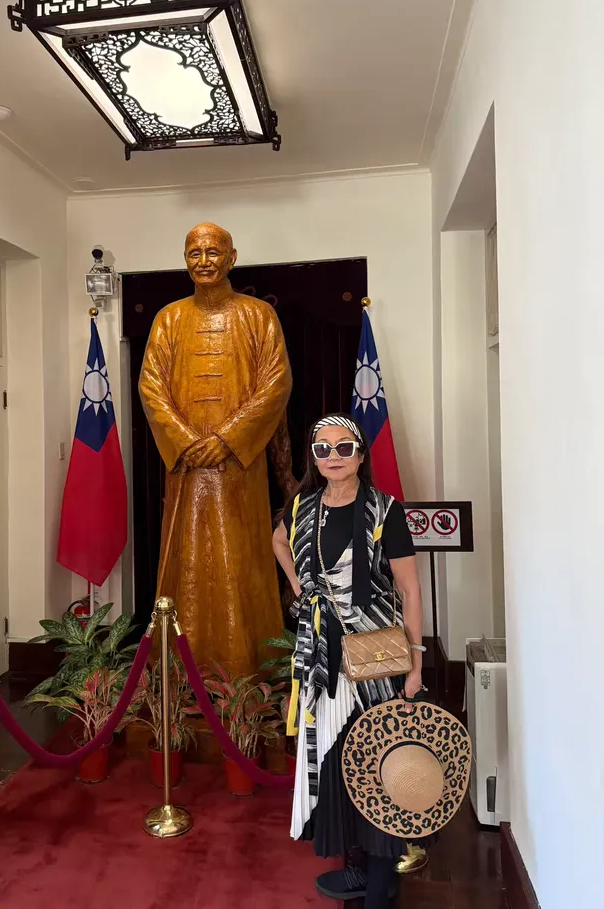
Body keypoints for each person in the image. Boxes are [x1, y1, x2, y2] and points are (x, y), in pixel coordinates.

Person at [272, 413, 426, 907]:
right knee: (338, 762)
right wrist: (300, 586)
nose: (334, 456)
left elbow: (410, 590)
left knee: (378, 764)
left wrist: (416, 664)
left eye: (344, 447)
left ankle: (380, 884)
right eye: (323, 449)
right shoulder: (303, 506)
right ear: (314, 459)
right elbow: (278, 540)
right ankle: (357, 868)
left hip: (377, 655)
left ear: (360, 454)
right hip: (323, 654)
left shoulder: (385, 510)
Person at [139, 222, 292, 676]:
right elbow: (151, 387)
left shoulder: (258, 315)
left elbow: (276, 383)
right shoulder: (168, 319)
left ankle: (249, 673)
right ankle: (180, 672)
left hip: (240, 471)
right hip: (186, 469)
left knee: (241, 566)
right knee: (186, 563)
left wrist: (227, 439)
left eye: (212, 252)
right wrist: (186, 441)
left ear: (231, 258)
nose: (203, 261)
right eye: (194, 253)